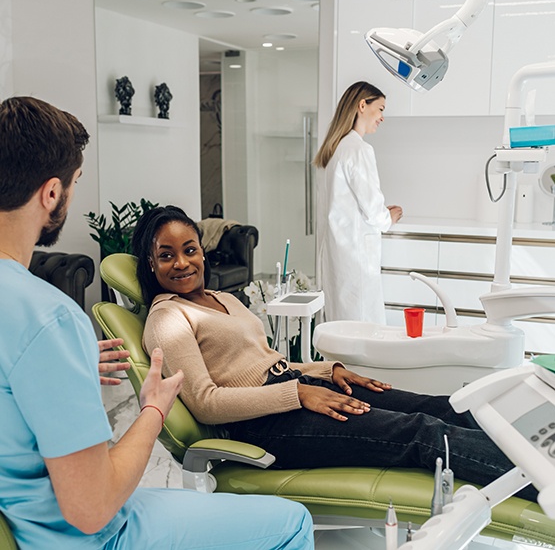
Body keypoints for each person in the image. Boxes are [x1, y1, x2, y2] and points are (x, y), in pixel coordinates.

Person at [0, 96, 314, 550]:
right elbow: (91, 508)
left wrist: (60, 368)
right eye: (74, 183)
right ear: (52, 193)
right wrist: (153, 408)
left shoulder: (36, 327)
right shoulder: (49, 317)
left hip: (20, 517)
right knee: (293, 523)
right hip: (88, 537)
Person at [134, 205, 536, 502]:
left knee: (442, 406)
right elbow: (205, 403)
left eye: (189, 249)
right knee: (418, 432)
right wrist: (298, 394)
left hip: (296, 391)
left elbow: (266, 362)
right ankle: (539, 480)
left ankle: (539, 446)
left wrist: (328, 371)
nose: (182, 263)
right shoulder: (168, 318)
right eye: (166, 255)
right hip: (262, 423)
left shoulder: (223, 298)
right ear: (150, 265)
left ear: (203, 251)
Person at [313, 81, 403, 324]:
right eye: (381, 108)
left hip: (339, 256)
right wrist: (389, 217)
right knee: (364, 331)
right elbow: (373, 211)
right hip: (356, 259)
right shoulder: (358, 149)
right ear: (363, 105)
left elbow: (347, 204)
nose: (382, 117)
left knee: (343, 329)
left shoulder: (337, 149)